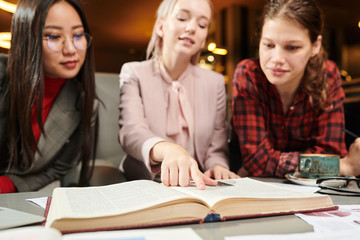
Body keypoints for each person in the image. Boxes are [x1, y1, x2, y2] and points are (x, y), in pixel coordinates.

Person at [231, 0, 360, 178]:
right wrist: (340, 167)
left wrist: (273, 163)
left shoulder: (327, 75)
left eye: (292, 47)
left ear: (315, 46)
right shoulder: (248, 74)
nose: (276, 58)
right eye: (268, 45)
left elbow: (330, 152)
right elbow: (257, 161)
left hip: (311, 192)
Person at [119, 0, 239, 190]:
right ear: (160, 26)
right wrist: (169, 150)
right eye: (182, 18)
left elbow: (216, 146)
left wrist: (218, 166)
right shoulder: (134, 72)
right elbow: (131, 131)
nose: (192, 28)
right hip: (144, 183)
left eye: (202, 24)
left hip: (195, 186)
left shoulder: (214, 82)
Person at [0, 0, 98, 193]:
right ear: (26, 39)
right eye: (53, 36)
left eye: (78, 35)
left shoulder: (84, 103)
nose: (71, 49)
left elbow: (58, 169)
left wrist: (7, 185)